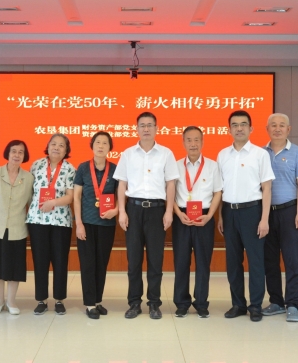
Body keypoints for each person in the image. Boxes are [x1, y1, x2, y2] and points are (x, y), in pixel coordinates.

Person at [114, 112, 179, 320]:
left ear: (157, 128)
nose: (146, 129)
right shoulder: (127, 154)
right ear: (137, 129)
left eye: (150, 125)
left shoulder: (166, 154)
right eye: (142, 125)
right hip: (133, 209)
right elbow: (122, 184)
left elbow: (171, 184)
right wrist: (122, 211)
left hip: (157, 210)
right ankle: (134, 303)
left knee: (155, 260)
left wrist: (168, 211)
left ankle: (154, 303)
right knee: (133, 260)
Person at [218, 110, 274, 322]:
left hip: (253, 212)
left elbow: (267, 188)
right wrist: (221, 216)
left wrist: (264, 219)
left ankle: (256, 305)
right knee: (233, 261)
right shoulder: (223, 155)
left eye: (243, 124)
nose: (239, 128)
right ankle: (238, 304)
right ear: (229, 129)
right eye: (235, 125)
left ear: (251, 128)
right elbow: (220, 189)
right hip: (229, 212)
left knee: (256, 261)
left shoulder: (260, 154)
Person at [261, 113, 298, 322]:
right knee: (269, 260)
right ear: (267, 129)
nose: (277, 129)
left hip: (290, 211)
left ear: (288, 129)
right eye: (273, 125)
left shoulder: (297, 152)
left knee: (292, 260)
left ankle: (293, 304)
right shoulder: (260, 153)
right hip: (265, 213)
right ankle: (276, 301)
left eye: (282, 125)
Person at [172, 126, 223, 318]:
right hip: (182, 217)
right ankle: (181, 303)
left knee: (203, 262)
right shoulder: (176, 166)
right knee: (181, 261)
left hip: (204, 217)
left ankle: (201, 302)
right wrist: (178, 213)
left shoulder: (212, 166)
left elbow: (218, 192)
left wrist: (209, 216)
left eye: (196, 140)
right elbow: (170, 194)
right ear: (183, 142)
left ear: (202, 142)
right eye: (189, 140)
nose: (193, 144)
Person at [0, 140, 34, 315]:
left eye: (21, 152)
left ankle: (11, 301)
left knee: (15, 267)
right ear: (7, 153)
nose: (17, 155)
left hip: (18, 228)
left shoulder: (29, 178)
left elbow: (31, 204)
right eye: (14, 151)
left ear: (24, 156)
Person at [26, 133, 76, 315]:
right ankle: (41, 299)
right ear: (47, 146)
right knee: (40, 260)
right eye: (53, 144)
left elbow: (70, 197)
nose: (56, 147)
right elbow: (30, 192)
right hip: (37, 220)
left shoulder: (70, 169)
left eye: (61, 145)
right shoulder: (36, 165)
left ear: (66, 150)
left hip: (60, 221)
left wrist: (53, 202)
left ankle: (59, 299)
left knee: (60, 261)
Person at [73, 131, 119, 319]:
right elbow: (76, 197)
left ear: (110, 147)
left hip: (107, 224)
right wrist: (78, 223)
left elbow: (121, 195)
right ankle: (90, 303)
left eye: (105, 143)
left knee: (101, 263)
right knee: (88, 264)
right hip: (87, 223)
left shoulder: (115, 169)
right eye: (97, 142)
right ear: (92, 145)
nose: (101, 146)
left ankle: (98, 300)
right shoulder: (83, 168)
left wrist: (116, 210)